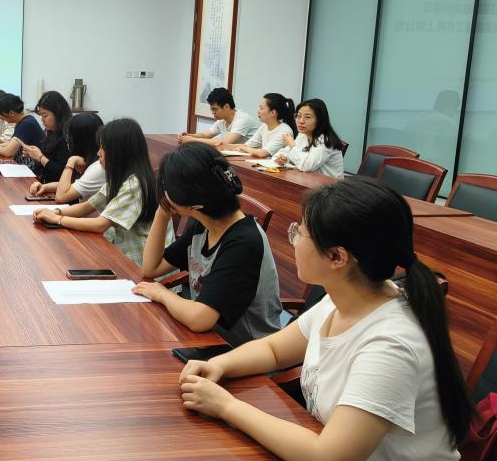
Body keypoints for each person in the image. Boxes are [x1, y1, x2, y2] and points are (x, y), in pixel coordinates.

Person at [176, 177, 472, 460]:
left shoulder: (390, 345)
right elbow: (274, 350)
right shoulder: (343, 299)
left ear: (337, 257)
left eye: (300, 232)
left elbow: (328, 455)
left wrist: (226, 406)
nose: (294, 240)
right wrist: (219, 364)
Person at [132, 143, 281, 344]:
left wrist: (161, 294)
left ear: (191, 204)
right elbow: (152, 268)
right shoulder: (203, 225)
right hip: (209, 338)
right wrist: (163, 212)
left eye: (167, 190)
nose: (165, 194)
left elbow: (199, 319)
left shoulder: (244, 242)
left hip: (244, 349)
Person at [32, 118, 157, 265]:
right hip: (117, 250)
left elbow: (100, 225)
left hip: (136, 262)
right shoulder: (119, 178)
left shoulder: (134, 184)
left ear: (119, 152)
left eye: (103, 148)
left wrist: (57, 219)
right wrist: (55, 212)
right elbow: (87, 206)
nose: (98, 153)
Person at [29, 112, 104, 203]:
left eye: (70, 139)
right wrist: (45, 187)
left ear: (80, 141)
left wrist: (71, 161)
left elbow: (61, 197)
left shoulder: (97, 167)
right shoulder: (88, 160)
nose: (67, 143)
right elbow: (73, 185)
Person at [273, 98, 345, 179]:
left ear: (319, 120)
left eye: (307, 117)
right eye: (298, 116)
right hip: (308, 181)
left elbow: (307, 166)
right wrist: (283, 159)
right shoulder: (303, 135)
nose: (301, 121)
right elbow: (284, 153)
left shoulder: (325, 140)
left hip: (330, 185)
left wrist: (291, 145)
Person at [223, 93, 297, 158]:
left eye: (261, 108)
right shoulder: (264, 126)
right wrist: (224, 146)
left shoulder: (284, 131)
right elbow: (247, 145)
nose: (258, 111)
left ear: (272, 112)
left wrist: (245, 149)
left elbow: (263, 153)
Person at [179, 88, 261, 146]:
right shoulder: (222, 121)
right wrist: (188, 136)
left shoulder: (242, 119)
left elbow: (224, 142)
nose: (213, 113)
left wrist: (193, 140)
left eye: (215, 109)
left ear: (226, 106)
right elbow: (205, 135)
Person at [20, 91, 72, 182]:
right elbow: (47, 165)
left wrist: (40, 157)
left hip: (58, 187)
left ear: (58, 113)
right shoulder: (52, 132)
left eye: (45, 116)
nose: (42, 120)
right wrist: (35, 157)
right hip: (46, 184)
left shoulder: (67, 136)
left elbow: (62, 172)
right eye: (41, 116)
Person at [0, 94, 45, 159]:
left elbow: (8, 152)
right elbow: (10, 143)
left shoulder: (26, 124)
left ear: (11, 113)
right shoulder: (23, 121)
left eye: (1, 114)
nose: (0, 116)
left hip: (32, 164)